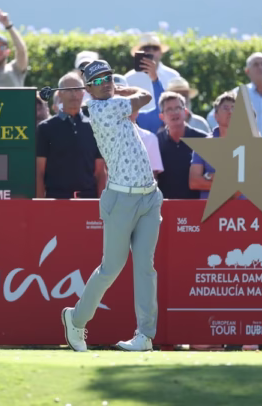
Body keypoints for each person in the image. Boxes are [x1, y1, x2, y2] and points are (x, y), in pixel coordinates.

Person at [61, 60, 162, 353]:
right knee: (111, 267)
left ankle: (145, 335)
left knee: (146, 268)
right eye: (98, 80)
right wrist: (118, 89)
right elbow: (145, 96)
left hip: (149, 196)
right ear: (88, 89)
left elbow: (142, 97)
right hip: (121, 200)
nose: (105, 83)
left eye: (108, 77)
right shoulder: (100, 109)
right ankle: (76, 320)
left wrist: (114, 88)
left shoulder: (112, 100)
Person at [36, 72, 106, 199]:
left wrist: (102, 205)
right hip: (56, 201)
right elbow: (39, 172)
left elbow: (100, 172)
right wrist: (40, 205)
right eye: (68, 90)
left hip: (88, 200)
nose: (74, 94)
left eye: (78, 89)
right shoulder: (46, 128)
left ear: (84, 93)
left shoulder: (95, 127)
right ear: (59, 94)